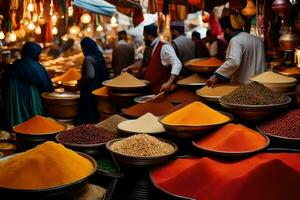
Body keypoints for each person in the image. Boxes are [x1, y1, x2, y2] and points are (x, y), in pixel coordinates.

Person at [3, 42, 53, 128]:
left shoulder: (15, 65)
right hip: (32, 102)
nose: (39, 56)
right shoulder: (36, 66)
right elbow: (48, 87)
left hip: (14, 105)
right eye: (39, 54)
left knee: (17, 125)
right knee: (34, 125)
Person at [207, 15, 266, 87]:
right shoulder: (258, 40)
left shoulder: (236, 40)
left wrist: (216, 76)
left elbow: (233, 62)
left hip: (243, 86)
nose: (223, 33)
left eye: (223, 30)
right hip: (260, 86)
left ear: (227, 30)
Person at [123, 24, 182, 94]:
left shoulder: (164, 47)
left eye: (144, 36)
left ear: (149, 36)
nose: (143, 38)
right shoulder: (149, 48)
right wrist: (129, 68)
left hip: (160, 91)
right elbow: (143, 62)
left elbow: (177, 64)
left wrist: (169, 82)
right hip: (149, 90)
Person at [79, 37, 108, 124]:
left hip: (90, 89)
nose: (82, 50)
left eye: (82, 48)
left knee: (90, 110)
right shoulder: (98, 55)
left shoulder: (88, 59)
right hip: (99, 87)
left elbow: (90, 75)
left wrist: (80, 81)